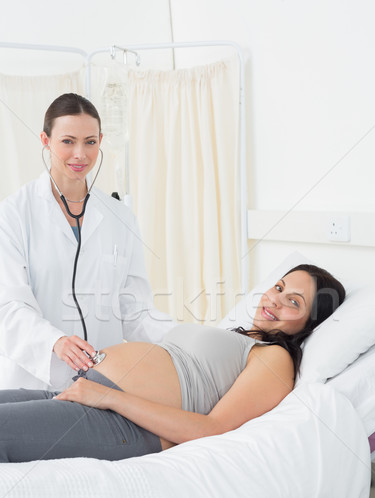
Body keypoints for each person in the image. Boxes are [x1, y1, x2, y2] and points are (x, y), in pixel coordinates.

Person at [0, 264, 345, 463]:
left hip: (119, 424)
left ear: (309, 323)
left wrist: (109, 398)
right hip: (86, 395)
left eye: (293, 302)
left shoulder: (276, 359)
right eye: (278, 287)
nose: (275, 300)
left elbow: (213, 429)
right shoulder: (242, 339)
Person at [0, 93, 174, 392]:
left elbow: (134, 309)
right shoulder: (13, 214)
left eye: (90, 142)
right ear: (46, 140)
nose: (80, 154)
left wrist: (183, 339)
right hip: (33, 381)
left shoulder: (121, 217)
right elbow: (9, 305)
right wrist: (54, 341)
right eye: (68, 141)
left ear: (100, 141)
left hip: (102, 382)